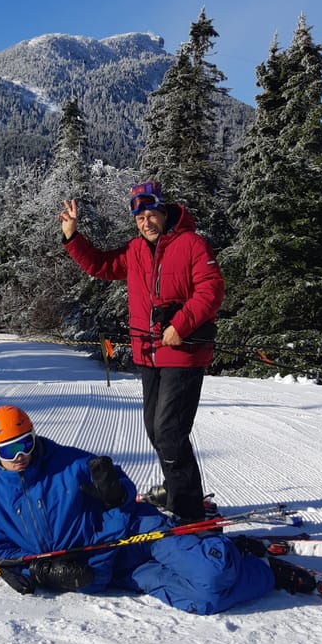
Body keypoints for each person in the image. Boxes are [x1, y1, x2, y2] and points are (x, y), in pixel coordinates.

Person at [0, 404, 317, 613]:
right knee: (204, 600)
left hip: (138, 535)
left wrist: (116, 498)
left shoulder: (73, 463)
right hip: (104, 572)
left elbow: (124, 491)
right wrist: (42, 574)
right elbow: (2, 554)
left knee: (212, 574)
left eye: (25, 444)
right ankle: (253, 565)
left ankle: (239, 558)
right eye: (8, 451)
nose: (20, 457)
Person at [59, 181, 222, 523]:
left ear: (164, 212)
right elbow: (100, 266)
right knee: (153, 428)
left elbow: (211, 289)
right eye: (139, 218)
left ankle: (189, 510)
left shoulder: (191, 244)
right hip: (147, 354)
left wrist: (181, 325)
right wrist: (73, 237)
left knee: (169, 431)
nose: (146, 222)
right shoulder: (135, 251)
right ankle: (174, 489)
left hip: (183, 353)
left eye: (151, 215)